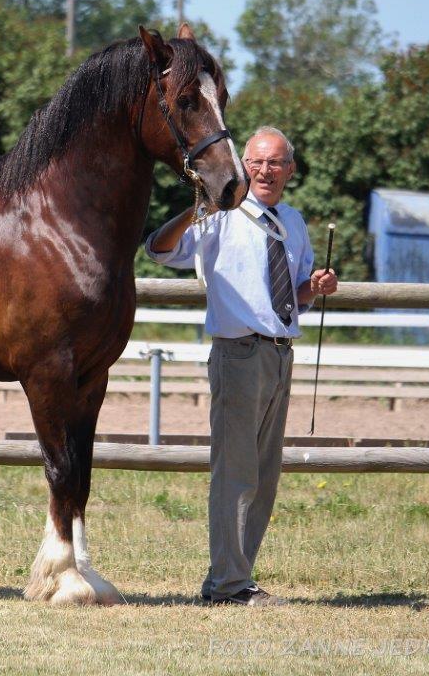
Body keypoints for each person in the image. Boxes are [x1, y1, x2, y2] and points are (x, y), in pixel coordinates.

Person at [144, 126, 338, 607]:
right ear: (242, 165)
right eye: (256, 162)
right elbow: (158, 250)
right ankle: (227, 584)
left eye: (276, 163)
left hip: (279, 352)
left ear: (290, 171)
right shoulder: (219, 216)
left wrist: (317, 285)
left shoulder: (292, 221)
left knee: (265, 476)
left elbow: (292, 296)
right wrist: (196, 209)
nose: (265, 171)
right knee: (235, 472)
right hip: (238, 353)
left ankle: (237, 578)